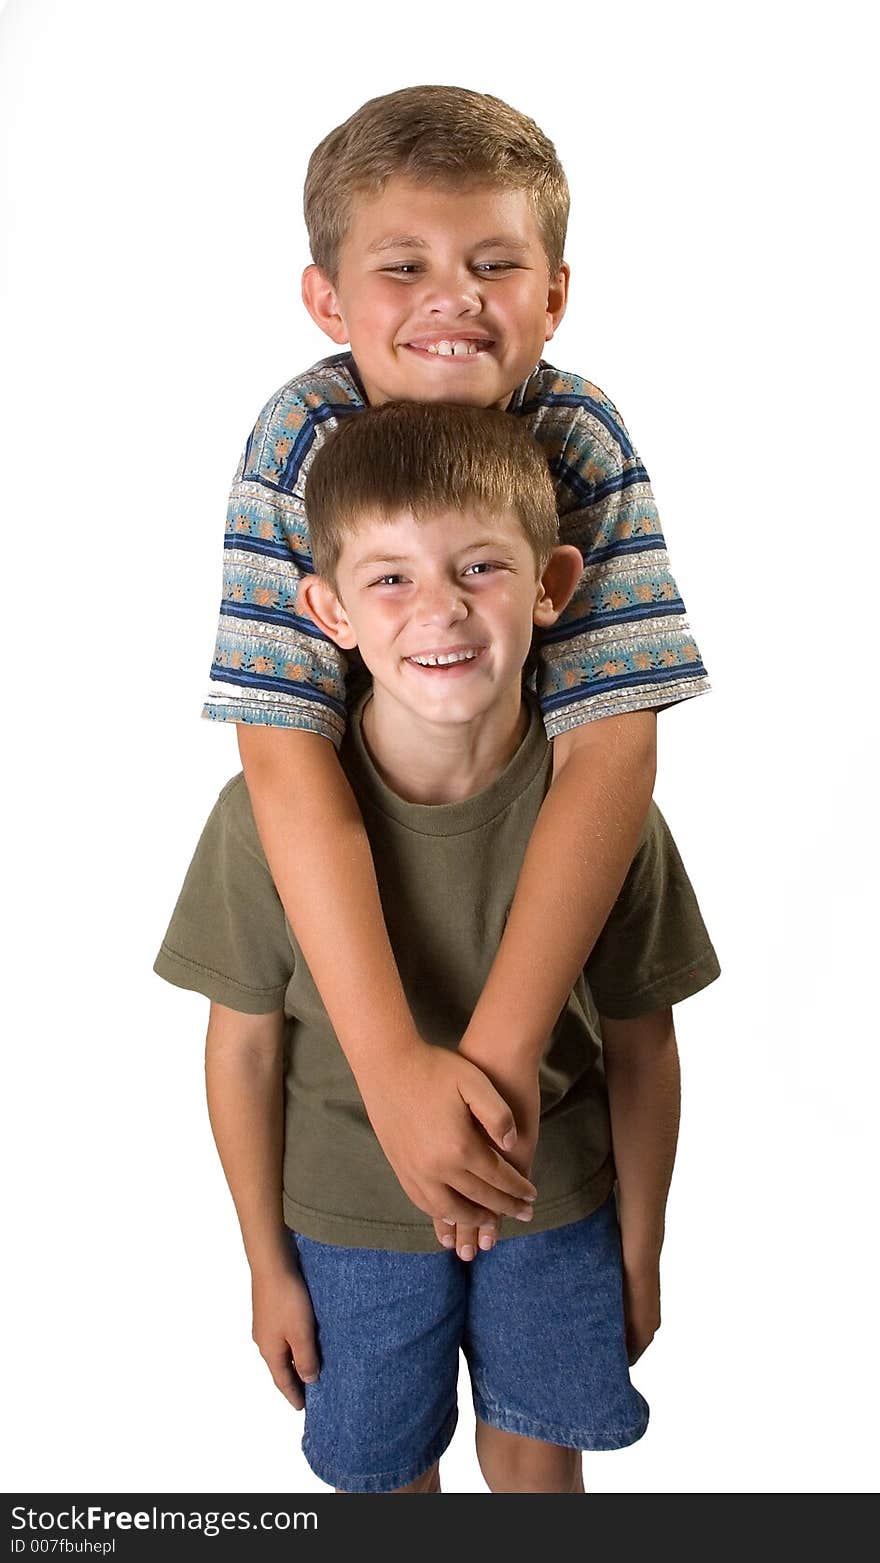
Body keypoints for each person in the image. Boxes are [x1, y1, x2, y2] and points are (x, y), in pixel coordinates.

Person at [157, 403, 720, 1494]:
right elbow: (242, 1054)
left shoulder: (607, 816)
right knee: (386, 1479)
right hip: (351, 1227)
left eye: (478, 568)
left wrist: (641, 1242)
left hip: (554, 1210)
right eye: (390, 581)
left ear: (553, 585)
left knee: (537, 1459)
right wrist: (263, 1266)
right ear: (324, 611)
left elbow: (646, 1047)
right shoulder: (260, 819)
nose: (440, 611)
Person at [201, 86, 710, 1246]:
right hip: (366, 890)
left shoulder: (578, 437)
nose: (454, 298)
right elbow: (283, 753)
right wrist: (389, 1068)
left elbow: (609, 744)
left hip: (517, 876)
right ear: (326, 298)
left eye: (494, 261)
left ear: (554, 295)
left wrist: (499, 1059)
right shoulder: (298, 441)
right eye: (403, 266)